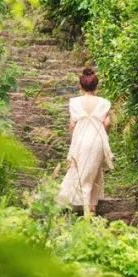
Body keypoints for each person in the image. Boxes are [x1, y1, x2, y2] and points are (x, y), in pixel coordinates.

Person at [56, 67, 114, 217]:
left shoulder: (74, 102)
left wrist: (75, 138)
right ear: (96, 86)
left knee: (81, 171)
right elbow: (107, 123)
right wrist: (102, 135)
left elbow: (72, 125)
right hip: (97, 140)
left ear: (80, 86)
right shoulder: (104, 103)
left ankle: (84, 209)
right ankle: (92, 208)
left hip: (81, 140)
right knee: (94, 171)